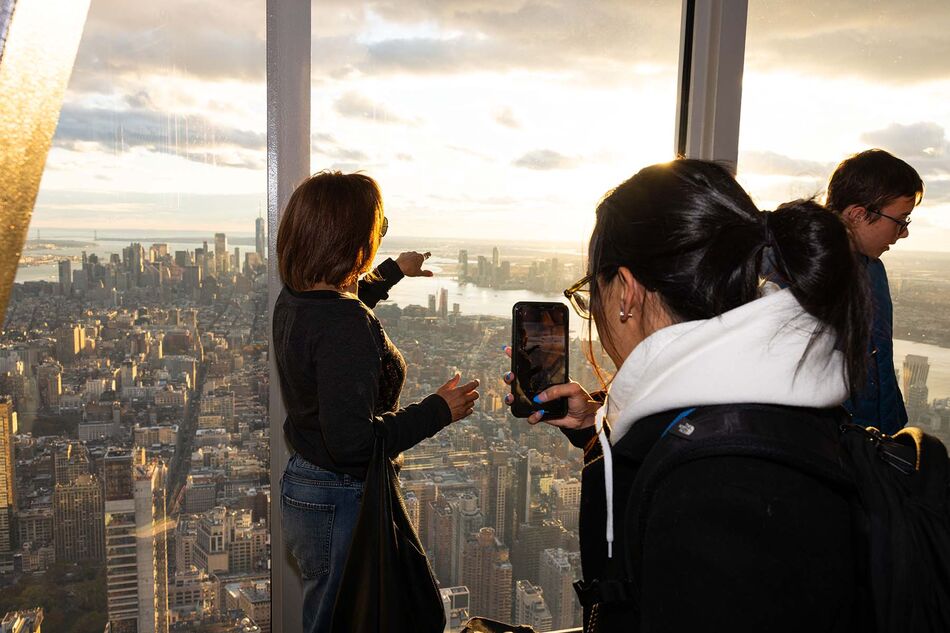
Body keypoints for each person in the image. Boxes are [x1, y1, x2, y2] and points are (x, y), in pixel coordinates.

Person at [503, 159, 869, 632]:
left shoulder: (716, 493)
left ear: (626, 293)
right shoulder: (765, 406)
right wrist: (597, 422)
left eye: (590, 291)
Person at [273, 171, 479, 633]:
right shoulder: (346, 324)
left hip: (306, 486)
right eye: (376, 229)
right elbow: (352, 443)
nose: (379, 235)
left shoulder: (295, 302)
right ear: (351, 241)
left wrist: (391, 272)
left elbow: (339, 313)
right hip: (343, 495)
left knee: (328, 618)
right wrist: (436, 412)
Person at [826, 149, 924, 433]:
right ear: (858, 214)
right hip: (835, 446)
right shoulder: (805, 276)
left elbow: (877, 364)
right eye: (901, 220)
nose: (903, 233)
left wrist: (889, 430)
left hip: (872, 441)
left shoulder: (873, 270)